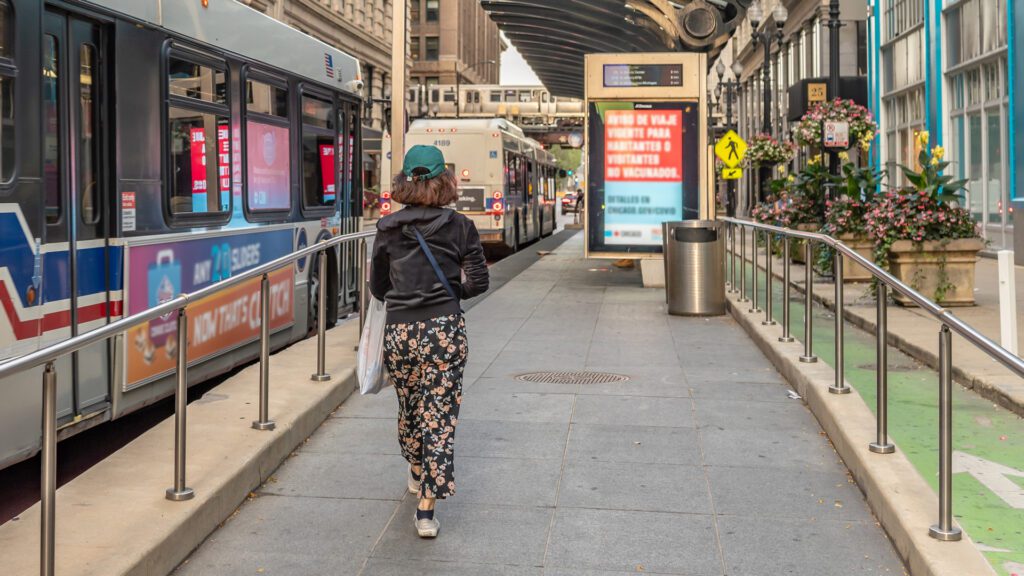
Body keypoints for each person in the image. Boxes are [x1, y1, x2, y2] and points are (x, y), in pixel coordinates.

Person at [369, 145, 489, 538]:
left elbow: (378, 287)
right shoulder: (461, 227)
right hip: (443, 331)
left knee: (409, 405)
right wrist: (450, 290)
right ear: (446, 183)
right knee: (439, 416)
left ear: (405, 181)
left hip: (401, 333)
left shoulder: (387, 228)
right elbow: (478, 282)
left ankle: (416, 466)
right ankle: (426, 510)